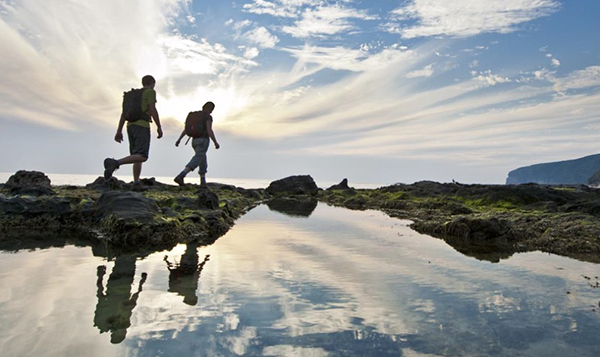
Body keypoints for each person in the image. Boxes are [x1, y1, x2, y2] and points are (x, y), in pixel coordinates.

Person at [103, 75, 163, 189]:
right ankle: (115, 163)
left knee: (136, 155)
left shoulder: (133, 96)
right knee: (142, 156)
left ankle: (136, 183)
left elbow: (123, 114)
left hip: (130, 126)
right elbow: (152, 109)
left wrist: (119, 131)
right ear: (152, 83)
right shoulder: (150, 92)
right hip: (142, 126)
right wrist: (159, 126)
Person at [174, 101, 220, 187]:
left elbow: (186, 129)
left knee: (202, 157)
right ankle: (182, 175)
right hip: (203, 140)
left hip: (194, 141)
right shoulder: (208, 117)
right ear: (211, 109)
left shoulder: (194, 116)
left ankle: (203, 180)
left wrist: (179, 139)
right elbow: (209, 130)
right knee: (198, 157)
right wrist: (215, 142)